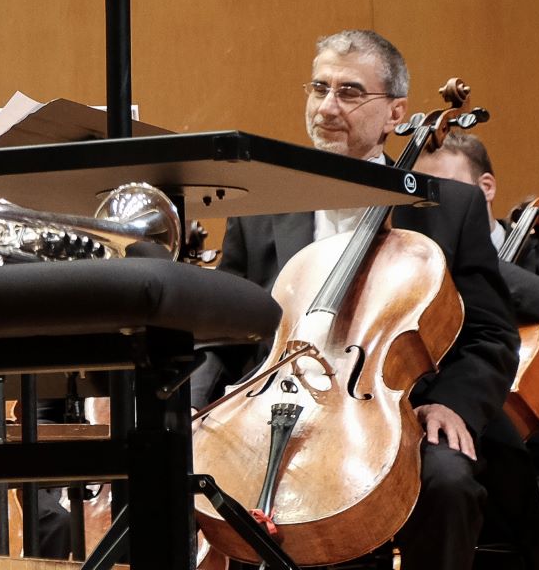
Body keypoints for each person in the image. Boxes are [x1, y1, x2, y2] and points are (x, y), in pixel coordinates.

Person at [191, 29, 518, 569]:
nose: (326, 107)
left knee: (448, 485)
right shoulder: (264, 209)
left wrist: (453, 404)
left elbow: (491, 334)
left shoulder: (449, 208)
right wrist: (195, 405)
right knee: (209, 478)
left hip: (402, 413)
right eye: (318, 89)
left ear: (395, 115)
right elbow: (225, 329)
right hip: (279, 411)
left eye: (349, 92)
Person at [416, 133, 539, 570]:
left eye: (447, 188)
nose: (437, 203)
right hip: (465, 430)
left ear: (485, 188)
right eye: (425, 191)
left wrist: (477, 263)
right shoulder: (415, 256)